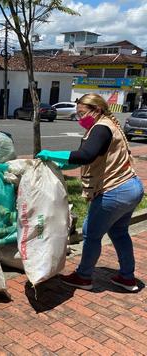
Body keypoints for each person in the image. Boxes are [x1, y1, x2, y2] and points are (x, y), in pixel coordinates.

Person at [37, 93, 144, 292]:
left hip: (115, 191)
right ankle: (127, 278)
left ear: (97, 110)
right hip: (132, 187)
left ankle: (84, 276)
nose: (80, 119)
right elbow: (82, 159)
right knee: (119, 232)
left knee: (91, 234)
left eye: (82, 114)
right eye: (77, 115)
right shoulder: (106, 126)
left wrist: (51, 152)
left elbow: (86, 155)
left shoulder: (101, 128)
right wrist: (58, 164)